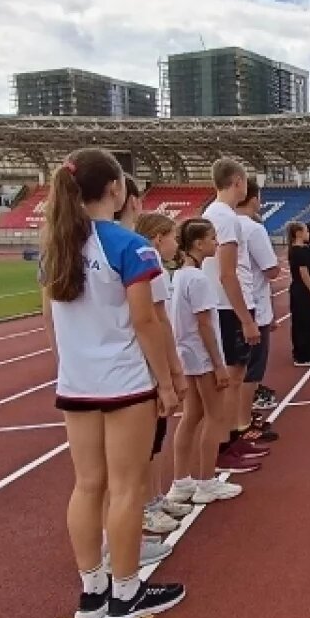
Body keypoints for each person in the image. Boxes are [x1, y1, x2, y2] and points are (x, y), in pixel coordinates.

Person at [38, 147, 184, 618]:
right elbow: (145, 320)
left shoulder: (55, 247)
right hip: (123, 382)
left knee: (87, 485)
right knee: (124, 488)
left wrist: (72, 365)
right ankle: (125, 593)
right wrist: (166, 382)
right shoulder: (129, 246)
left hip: (77, 384)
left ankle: (92, 589)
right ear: (117, 190)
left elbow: (50, 323)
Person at [167, 217, 255, 506]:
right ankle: (206, 481)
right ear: (198, 243)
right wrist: (219, 365)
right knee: (215, 416)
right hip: (203, 357)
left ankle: (181, 481)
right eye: (212, 239)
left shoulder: (179, 276)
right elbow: (204, 324)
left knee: (191, 416)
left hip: (187, 355)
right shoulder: (199, 279)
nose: (217, 243)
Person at [200, 159, 269, 468]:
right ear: (238, 182)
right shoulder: (224, 218)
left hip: (225, 306)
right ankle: (225, 446)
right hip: (229, 308)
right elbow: (228, 273)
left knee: (235, 377)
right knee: (232, 378)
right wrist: (247, 319)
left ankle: (231, 441)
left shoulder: (216, 215)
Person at [133, 213, 193, 526]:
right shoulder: (149, 263)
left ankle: (154, 499)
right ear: (158, 237)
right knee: (147, 442)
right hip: (146, 364)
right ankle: (145, 507)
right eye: (172, 237)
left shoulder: (152, 263)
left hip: (145, 362)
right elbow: (157, 321)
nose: (176, 244)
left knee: (156, 439)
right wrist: (170, 372)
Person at [234, 179, 281, 445]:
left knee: (237, 368)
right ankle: (242, 423)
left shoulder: (222, 222)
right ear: (253, 198)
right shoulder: (252, 228)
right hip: (254, 307)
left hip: (231, 306)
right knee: (251, 370)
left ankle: (237, 420)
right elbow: (270, 269)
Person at [286, 222, 310, 366]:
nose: (308, 233)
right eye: (306, 231)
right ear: (298, 233)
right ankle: (301, 356)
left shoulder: (305, 250)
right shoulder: (297, 251)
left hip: (304, 289)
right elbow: (304, 273)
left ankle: (308, 352)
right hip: (301, 291)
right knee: (303, 322)